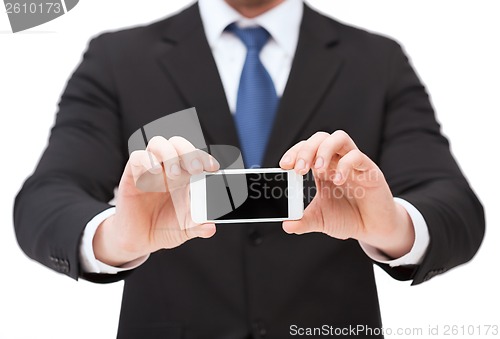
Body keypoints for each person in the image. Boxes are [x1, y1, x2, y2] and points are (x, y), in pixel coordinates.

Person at [14, 0, 485, 338]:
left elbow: (454, 204)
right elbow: (46, 196)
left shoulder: (377, 60)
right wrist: (117, 238)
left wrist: (394, 225)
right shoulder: (117, 58)